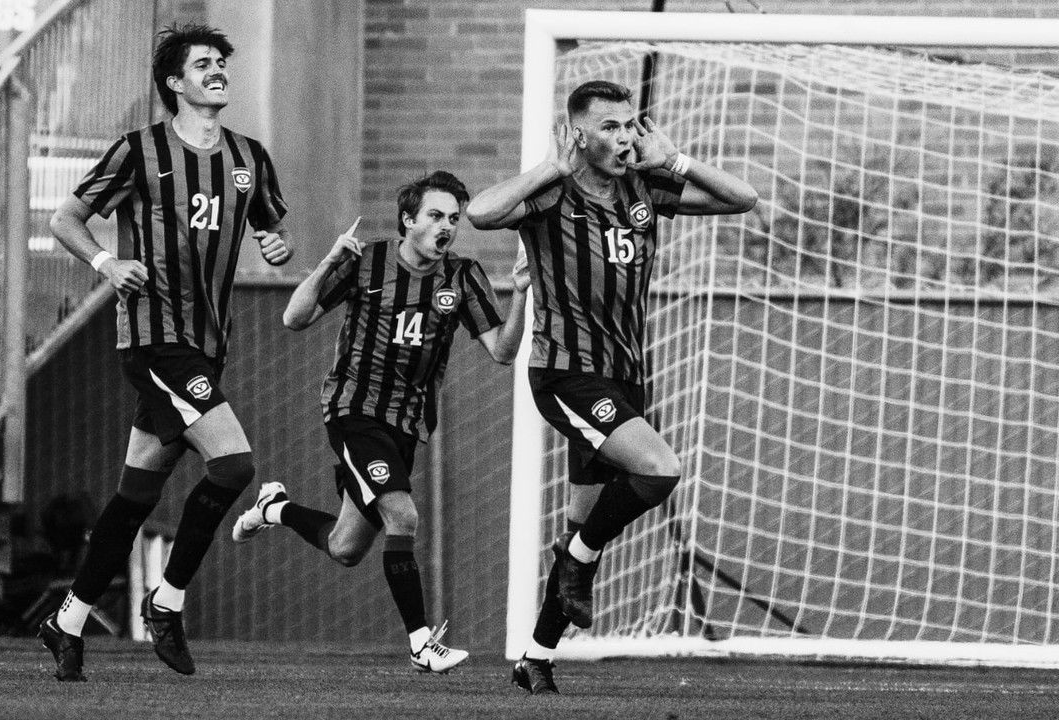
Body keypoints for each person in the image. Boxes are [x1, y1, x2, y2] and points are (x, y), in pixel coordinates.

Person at [467, 80, 757, 694]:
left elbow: (743, 199)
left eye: (630, 124)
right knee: (659, 470)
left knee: (584, 522)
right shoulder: (551, 194)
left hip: (624, 376)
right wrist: (549, 166)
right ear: (579, 134)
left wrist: (676, 160)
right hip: (566, 372)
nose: (625, 137)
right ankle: (574, 560)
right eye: (610, 127)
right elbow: (481, 213)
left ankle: (536, 658)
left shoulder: (644, 188)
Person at [38, 23, 291, 682]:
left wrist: (276, 246)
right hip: (154, 338)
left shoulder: (249, 157)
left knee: (134, 497)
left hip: (207, 345)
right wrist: (105, 262)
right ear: (175, 82)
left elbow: (270, 227)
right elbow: (65, 218)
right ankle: (168, 602)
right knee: (234, 464)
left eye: (220, 61)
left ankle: (67, 620)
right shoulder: (139, 150)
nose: (217, 70)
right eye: (202, 64)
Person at [230, 171, 529, 673]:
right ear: (408, 220)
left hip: (407, 425)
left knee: (345, 548)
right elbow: (293, 318)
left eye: (454, 219)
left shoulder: (463, 276)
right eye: (435, 215)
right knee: (403, 515)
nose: (446, 226)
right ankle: (421, 644)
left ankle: (273, 508)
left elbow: (502, 351)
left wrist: (520, 295)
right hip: (354, 410)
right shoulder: (367, 261)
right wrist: (329, 261)